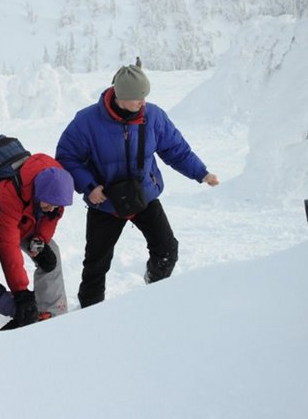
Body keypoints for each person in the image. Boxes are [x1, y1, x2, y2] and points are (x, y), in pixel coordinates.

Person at [55, 60, 219, 308]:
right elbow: (67, 157)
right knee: (96, 265)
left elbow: (176, 150)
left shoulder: (153, 116)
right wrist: (90, 187)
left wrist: (202, 173)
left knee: (167, 250)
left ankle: (154, 291)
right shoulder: (87, 121)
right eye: (137, 98)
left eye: (145, 96)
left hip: (144, 195)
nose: (143, 102)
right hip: (106, 202)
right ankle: (88, 313)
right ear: (120, 97)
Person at [0, 153, 75, 328]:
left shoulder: (57, 186)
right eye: (49, 203)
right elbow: (7, 246)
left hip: (24, 221)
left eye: (56, 204)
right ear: (40, 192)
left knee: (50, 254)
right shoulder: (8, 193)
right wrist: (21, 292)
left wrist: (40, 239)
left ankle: (51, 312)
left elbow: (52, 216)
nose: (52, 207)